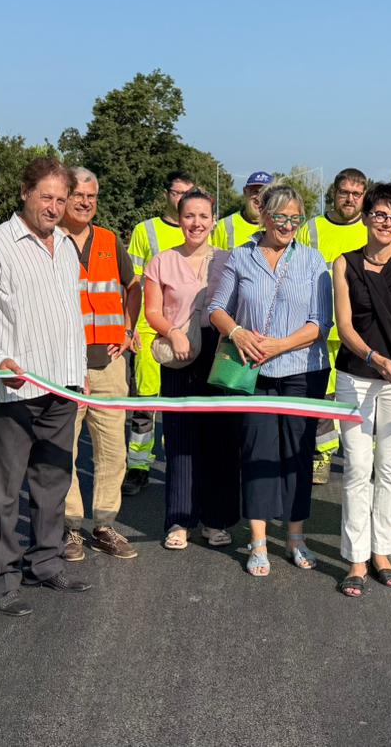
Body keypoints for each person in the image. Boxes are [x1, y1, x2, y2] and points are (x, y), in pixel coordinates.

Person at [0, 157, 91, 617]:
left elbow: (69, 316)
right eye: (46, 197)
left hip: (62, 383)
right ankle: (0, 578)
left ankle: (46, 562)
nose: (54, 207)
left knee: (53, 482)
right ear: (25, 193)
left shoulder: (67, 247)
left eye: (61, 199)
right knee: (4, 489)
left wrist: (79, 373)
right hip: (14, 389)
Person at [208, 183, 332, 576]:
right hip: (253, 371)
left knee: (298, 454)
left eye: (296, 219)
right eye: (281, 218)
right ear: (264, 215)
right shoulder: (240, 257)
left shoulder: (313, 260)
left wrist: (280, 346)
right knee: (257, 453)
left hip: (301, 370)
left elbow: (320, 322)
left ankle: (296, 536)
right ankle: (258, 540)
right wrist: (238, 333)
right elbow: (216, 308)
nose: (289, 226)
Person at [331, 183, 391, 597]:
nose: (387, 223)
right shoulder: (344, 263)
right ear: (366, 217)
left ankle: (382, 552)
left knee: (389, 466)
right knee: (356, 467)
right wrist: (374, 358)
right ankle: (355, 557)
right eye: (379, 215)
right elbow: (345, 325)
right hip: (357, 376)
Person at [145, 188, 239, 549]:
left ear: (213, 221)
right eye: (189, 216)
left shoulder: (228, 260)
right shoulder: (162, 262)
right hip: (180, 356)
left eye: (203, 216)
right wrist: (172, 333)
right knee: (181, 439)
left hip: (220, 356)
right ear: (178, 219)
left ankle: (216, 520)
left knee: (221, 439)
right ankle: (180, 520)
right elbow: (153, 310)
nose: (196, 223)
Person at [61, 167, 140, 561]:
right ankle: (70, 528)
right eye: (78, 194)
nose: (85, 202)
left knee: (113, 450)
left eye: (92, 196)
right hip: (63, 366)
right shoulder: (48, 240)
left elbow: (133, 286)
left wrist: (129, 328)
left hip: (108, 363)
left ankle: (105, 524)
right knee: (64, 450)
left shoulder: (109, 239)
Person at [123, 170, 195, 496]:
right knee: (145, 400)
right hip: (149, 328)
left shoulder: (201, 229)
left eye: (189, 193)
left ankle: (183, 463)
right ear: (167, 194)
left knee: (184, 400)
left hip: (190, 329)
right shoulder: (145, 230)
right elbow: (134, 283)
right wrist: (130, 326)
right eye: (177, 193)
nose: (182, 199)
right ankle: (138, 465)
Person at [297, 168, 370, 484]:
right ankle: (322, 457)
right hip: (320, 331)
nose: (350, 199)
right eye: (344, 192)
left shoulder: (370, 229)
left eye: (357, 194)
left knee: (363, 399)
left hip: (360, 332)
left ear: (364, 197)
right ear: (334, 194)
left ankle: (367, 461)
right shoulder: (311, 228)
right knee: (322, 399)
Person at [211, 170, 272, 249]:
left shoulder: (280, 226)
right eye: (255, 192)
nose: (260, 198)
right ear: (245, 191)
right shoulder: (223, 226)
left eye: (266, 194)